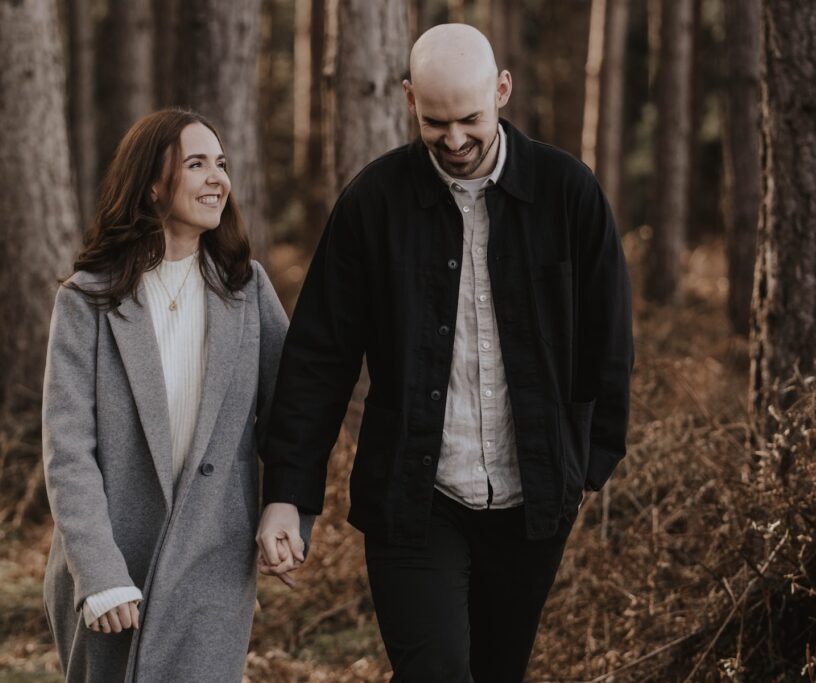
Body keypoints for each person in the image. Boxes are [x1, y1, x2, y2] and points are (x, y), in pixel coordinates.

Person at [256, 24, 634, 682]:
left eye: (470, 119)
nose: (454, 140)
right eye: (436, 122)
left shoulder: (568, 192)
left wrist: (590, 462)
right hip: (414, 498)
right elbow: (320, 355)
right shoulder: (374, 204)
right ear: (407, 98)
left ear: (502, 91)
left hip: (534, 503)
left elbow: (610, 336)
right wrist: (289, 491)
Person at [41, 108, 296, 682]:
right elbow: (68, 451)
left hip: (213, 560)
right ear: (152, 184)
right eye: (197, 164)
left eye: (222, 165)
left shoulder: (247, 288)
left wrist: (289, 508)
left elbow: (292, 418)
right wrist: (98, 571)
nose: (218, 179)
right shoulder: (88, 300)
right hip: (110, 566)